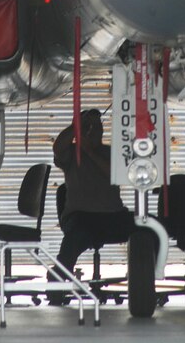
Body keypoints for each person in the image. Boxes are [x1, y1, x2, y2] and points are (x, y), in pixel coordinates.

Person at [52, 108, 135, 280]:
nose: (95, 131)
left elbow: (114, 174)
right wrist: (76, 127)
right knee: (72, 242)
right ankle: (57, 284)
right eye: (89, 127)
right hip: (81, 217)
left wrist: (90, 152)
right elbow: (58, 147)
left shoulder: (111, 153)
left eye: (98, 126)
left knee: (150, 227)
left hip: (113, 216)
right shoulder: (71, 153)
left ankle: (143, 275)